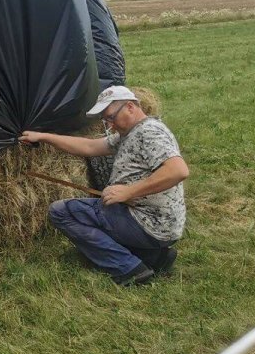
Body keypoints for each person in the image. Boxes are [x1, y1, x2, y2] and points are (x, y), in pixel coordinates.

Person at [20, 85, 189, 286]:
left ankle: (128, 268)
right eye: (105, 120)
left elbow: (178, 170)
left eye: (111, 117)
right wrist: (44, 137)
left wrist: (128, 191)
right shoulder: (130, 133)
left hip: (150, 223)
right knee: (93, 210)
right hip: (156, 223)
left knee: (61, 212)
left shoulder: (149, 132)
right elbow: (89, 147)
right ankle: (153, 257)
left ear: (130, 107)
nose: (109, 125)